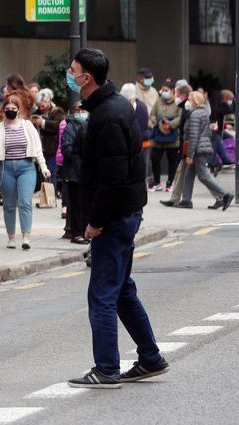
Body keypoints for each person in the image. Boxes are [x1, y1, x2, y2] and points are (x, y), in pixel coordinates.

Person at [64, 48, 167, 388]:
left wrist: (95, 221)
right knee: (122, 290)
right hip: (127, 213)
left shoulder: (107, 115)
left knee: (102, 295)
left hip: (115, 217)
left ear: (86, 78)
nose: (70, 74)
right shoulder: (115, 106)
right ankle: (150, 357)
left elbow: (112, 178)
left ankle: (106, 368)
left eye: (73, 70)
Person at [0, 90, 49, 249]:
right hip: (5, 168)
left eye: (14, 109)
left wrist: (44, 167)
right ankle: (11, 237)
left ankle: (26, 237)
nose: (10, 111)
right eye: (7, 109)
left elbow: (37, 149)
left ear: (19, 110)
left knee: (25, 202)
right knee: (9, 205)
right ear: (3, 110)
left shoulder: (28, 126)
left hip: (26, 168)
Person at [177, 90, 233, 210]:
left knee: (203, 176)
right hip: (201, 147)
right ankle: (186, 200)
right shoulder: (202, 113)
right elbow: (203, 131)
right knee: (189, 175)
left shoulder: (195, 114)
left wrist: (190, 155)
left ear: (195, 101)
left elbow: (194, 135)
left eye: (189, 99)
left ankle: (224, 195)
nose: (187, 101)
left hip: (198, 149)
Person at [61, 102, 89, 245]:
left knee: (86, 205)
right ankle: (76, 233)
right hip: (74, 174)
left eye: (83, 109)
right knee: (76, 205)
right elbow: (67, 149)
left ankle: (85, 232)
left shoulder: (90, 124)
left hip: (87, 174)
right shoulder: (70, 127)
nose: (80, 112)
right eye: (78, 109)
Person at [148, 80, 181, 191]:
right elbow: (152, 115)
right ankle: (157, 182)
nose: (163, 93)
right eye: (162, 90)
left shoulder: (178, 103)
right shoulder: (158, 101)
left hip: (172, 138)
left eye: (166, 91)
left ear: (172, 91)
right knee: (155, 159)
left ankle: (170, 183)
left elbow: (180, 118)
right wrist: (158, 122)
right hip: (158, 137)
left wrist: (170, 124)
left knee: (172, 161)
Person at [32, 89, 65, 182]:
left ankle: (50, 194)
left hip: (52, 149)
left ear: (49, 101)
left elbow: (58, 125)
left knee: (51, 172)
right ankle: (44, 194)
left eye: (43, 106)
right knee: (42, 172)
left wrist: (42, 122)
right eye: (39, 106)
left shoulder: (57, 111)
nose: (41, 108)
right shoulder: (36, 113)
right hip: (39, 148)